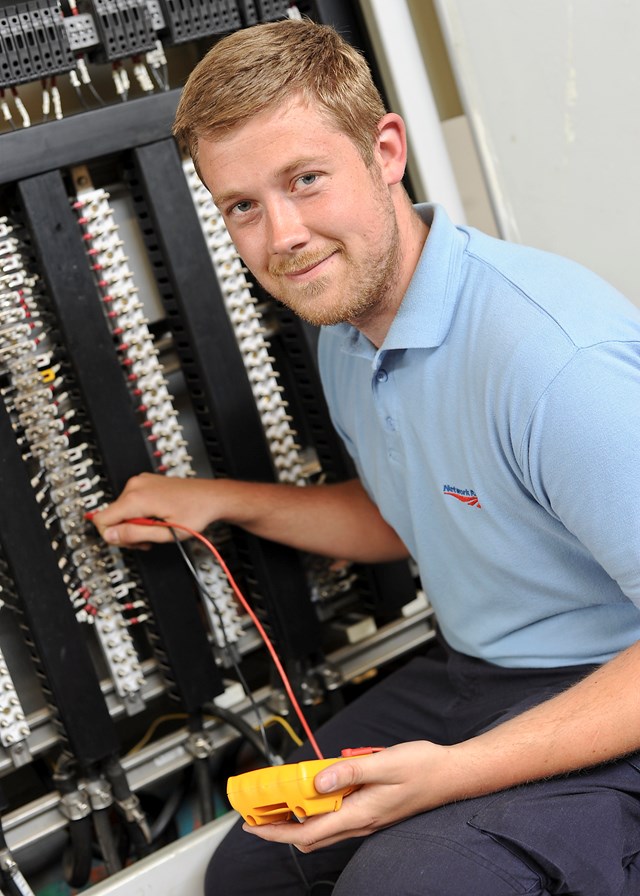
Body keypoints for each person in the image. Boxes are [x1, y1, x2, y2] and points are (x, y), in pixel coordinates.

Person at [91, 18, 640, 896]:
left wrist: (452, 774)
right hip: (481, 674)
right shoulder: (347, 334)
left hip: (613, 697)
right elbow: (412, 512)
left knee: (404, 880)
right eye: (243, 207)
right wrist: (218, 498)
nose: (283, 237)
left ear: (386, 150)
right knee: (255, 874)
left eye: (305, 181)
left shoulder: (554, 360)